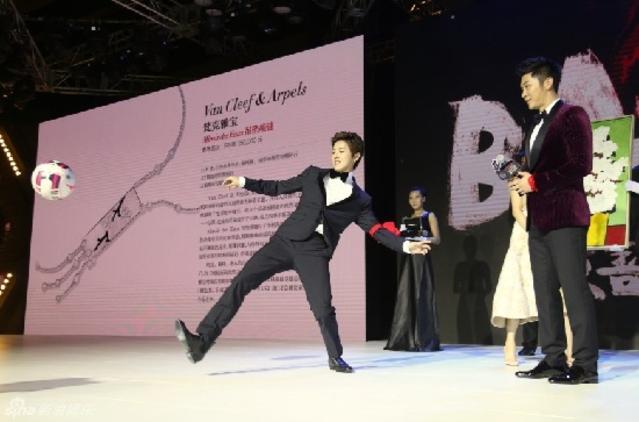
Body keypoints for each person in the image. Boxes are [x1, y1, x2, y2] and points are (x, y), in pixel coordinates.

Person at [175, 131, 431, 373]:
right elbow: (277, 187)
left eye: (341, 151)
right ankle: (201, 343)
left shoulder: (361, 200)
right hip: (284, 241)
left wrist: (406, 246)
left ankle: (335, 357)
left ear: (356, 156)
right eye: (334, 150)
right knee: (240, 283)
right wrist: (243, 182)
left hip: (314, 251)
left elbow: (376, 230)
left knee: (322, 308)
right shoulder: (312, 174)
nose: (335, 155)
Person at [509, 57, 598, 384]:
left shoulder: (572, 115)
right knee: (544, 293)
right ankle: (553, 359)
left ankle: (585, 365)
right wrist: (521, 175)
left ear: (547, 82)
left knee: (574, 291)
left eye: (527, 85)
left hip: (565, 217)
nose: (523, 93)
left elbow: (581, 164)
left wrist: (536, 182)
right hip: (539, 220)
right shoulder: (534, 124)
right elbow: (539, 167)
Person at [385, 186, 442, 352]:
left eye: (417, 197)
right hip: (408, 259)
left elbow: (437, 239)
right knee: (406, 296)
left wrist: (423, 237)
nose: (414, 201)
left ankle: (422, 339)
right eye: (411, 198)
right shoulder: (406, 219)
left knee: (422, 295)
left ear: (423, 199)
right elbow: (402, 240)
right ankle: (406, 338)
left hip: (422, 259)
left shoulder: (429, 215)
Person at [491, 190, 538, 365]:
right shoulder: (517, 181)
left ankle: (562, 348)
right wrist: (533, 232)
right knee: (516, 289)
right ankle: (510, 342)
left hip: (546, 233)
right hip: (524, 234)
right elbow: (517, 211)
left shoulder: (547, 177)